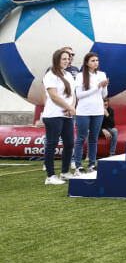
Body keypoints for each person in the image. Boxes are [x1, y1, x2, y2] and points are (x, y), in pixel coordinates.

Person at [42, 49, 76, 185]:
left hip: (67, 115)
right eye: (64, 59)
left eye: (68, 58)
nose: (67, 61)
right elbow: (54, 96)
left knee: (69, 143)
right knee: (52, 144)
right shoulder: (50, 75)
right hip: (53, 115)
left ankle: (65, 172)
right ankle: (50, 176)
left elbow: (73, 94)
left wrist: (71, 107)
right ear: (57, 60)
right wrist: (69, 108)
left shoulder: (68, 75)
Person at [72, 52, 109, 175]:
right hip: (83, 111)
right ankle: (78, 166)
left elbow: (104, 95)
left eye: (97, 60)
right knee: (81, 138)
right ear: (87, 63)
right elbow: (79, 95)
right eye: (93, 60)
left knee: (93, 139)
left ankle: (92, 165)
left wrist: (104, 86)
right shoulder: (80, 76)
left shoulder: (102, 74)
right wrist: (97, 87)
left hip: (98, 111)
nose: (95, 63)